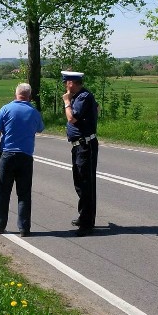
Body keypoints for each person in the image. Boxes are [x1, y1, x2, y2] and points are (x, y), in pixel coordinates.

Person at [0, 83, 44, 237]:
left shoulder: (5, 109)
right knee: (24, 194)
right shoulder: (34, 112)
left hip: (7, 155)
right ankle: (24, 228)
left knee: (3, 192)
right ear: (29, 95)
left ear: (16, 94)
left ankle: (0, 225)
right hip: (25, 157)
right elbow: (40, 128)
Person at [61, 71, 99, 237]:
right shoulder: (81, 96)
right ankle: (84, 216)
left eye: (66, 82)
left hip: (85, 145)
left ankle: (87, 223)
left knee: (85, 184)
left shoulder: (82, 97)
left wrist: (67, 102)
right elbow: (96, 108)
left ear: (71, 83)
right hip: (78, 145)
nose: (65, 86)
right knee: (79, 182)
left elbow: (72, 118)